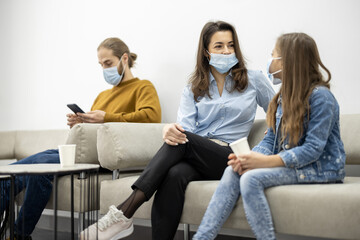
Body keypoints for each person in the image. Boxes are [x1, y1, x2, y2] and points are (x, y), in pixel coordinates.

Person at [81, 21, 275, 240]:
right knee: (174, 174)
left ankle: (124, 213)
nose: (227, 51)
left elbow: (282, 112)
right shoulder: (193, 87)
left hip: (230, 156)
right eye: (219, 46)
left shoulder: (254, 79)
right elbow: (186, 131)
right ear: (206, 51)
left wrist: (272, 134)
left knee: (185, 141)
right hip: (197, 156)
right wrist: (170, 130)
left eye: (230, 45)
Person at [0, 37, 161, 240]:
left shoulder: (143, 87)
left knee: (40, 168)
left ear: (125, 59)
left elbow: (151, 118)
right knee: (15, 171)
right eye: (101, 64)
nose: (104, 69)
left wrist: (105, 117)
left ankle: (18, 234)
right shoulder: (103, 95)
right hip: (83, 150)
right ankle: (13, 223)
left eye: (108, 63)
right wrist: (81, 123)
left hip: (103, 157)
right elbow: (98, 128)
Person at [192, 32, 346, 240]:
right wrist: (249, 159)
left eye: (273, 54)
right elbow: (271, 139)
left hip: (321, 169)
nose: (270, 60)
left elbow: (312, 150)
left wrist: (263, 162)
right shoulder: (283, 97)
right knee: (233, 171)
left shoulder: (321, 98)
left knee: (251, 179)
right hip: (294, 165)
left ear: (289, 61)